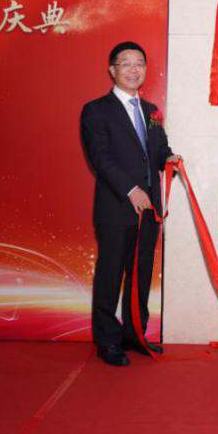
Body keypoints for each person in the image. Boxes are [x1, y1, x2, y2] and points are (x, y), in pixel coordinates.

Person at [81, 41, 179, 367]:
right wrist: (130, 190)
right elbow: (101, 158)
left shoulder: (151, 110)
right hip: (116, 207)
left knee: (141, 274)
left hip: (149, 209)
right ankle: (108, 341)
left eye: (139, 64)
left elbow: (158, 149)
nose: (134, 70)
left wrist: (170, 158)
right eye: (126, 64)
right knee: (110, 275)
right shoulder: (96, 110)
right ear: (112, 70)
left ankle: (135, 333)